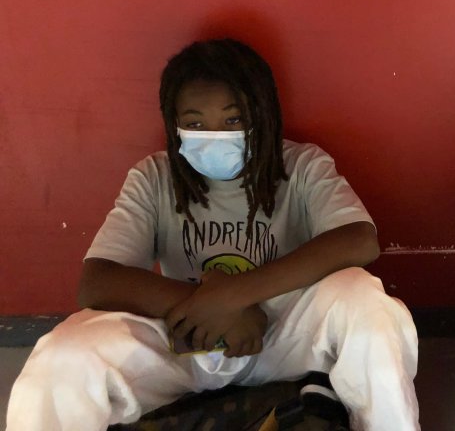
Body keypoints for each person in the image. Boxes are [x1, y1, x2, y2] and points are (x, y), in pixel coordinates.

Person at [7, 38, 420, 431]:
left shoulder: (301, 165)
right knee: (62, 354)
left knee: (366, 300)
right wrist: (213, 309)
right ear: (175, 126)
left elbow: (358, 239)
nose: (216, 133)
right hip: (186, 339)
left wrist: (233, 295)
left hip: (277, 335)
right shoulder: (154, 176)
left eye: (233, 119)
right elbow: (98, 281)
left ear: (262, 115)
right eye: (195, 123)